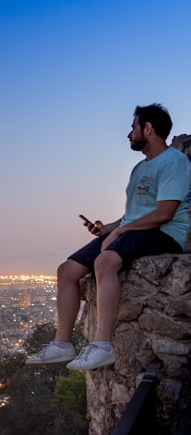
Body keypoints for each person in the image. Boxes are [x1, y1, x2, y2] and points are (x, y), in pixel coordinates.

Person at [26, 103, 191, 370]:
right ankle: (62, 343)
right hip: (137, 230)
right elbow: (133, 215)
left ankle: (102, 345)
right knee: (67, 270)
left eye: (133, 127)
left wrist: (122, 231)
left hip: (166, 234)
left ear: (148, 129)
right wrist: (109, 228)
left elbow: (165, 213)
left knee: (105, 261)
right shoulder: (140, 168)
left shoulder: (174, 162)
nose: (129, 134)